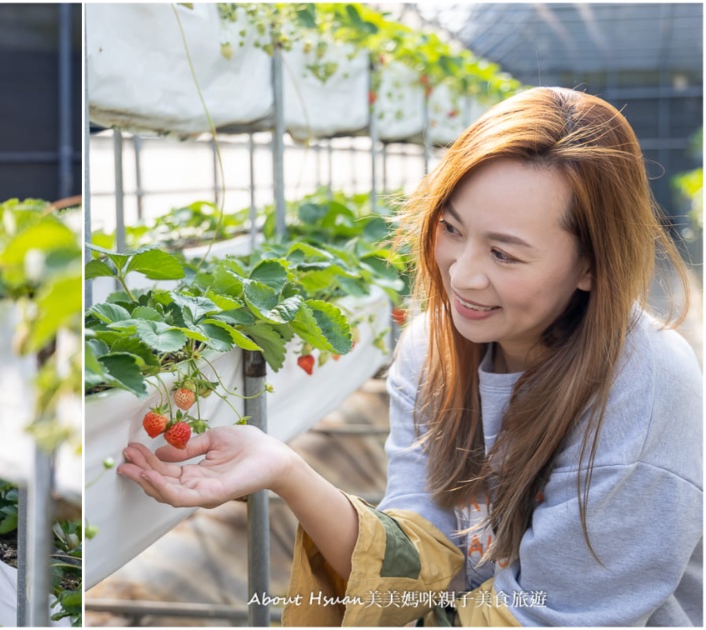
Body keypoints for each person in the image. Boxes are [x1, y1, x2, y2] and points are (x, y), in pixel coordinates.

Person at [117, 87, 703, 626]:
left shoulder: (644, 388)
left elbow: (551, 617)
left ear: (591, 266)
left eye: (505, 254)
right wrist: (288, 473)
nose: (463, 275)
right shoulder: (434, 348)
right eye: (451, 228)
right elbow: (424, 561)